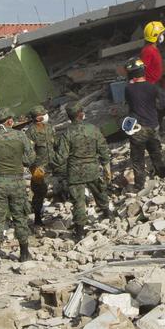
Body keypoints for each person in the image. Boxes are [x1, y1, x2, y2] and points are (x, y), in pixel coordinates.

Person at [0, 108, 35, 268]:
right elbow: (29, 159)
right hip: (17, 182)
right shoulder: (20, 136)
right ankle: (24, 253)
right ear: (10, 121)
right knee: (20, 216)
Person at [53, 103, 112, 240]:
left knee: (78, 201)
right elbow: (103, 149)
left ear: (69, 117)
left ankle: (79, 232)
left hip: (75, 172)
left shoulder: (67, 133)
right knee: (99, 191)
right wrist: (106, 167)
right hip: (92, 168)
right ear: (81, 114)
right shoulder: (93, 129)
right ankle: (108, 213)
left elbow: (61, 156)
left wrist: (50, 167)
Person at [123, 57, 165, 191]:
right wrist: (158, 118)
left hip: (138, 130)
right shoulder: (153, 88)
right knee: (156, 152)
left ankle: (139, 185)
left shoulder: (129, 89)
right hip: (153, 127)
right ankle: (162, 175)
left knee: (138, 159)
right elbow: (164, 104)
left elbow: (130, 105)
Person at [24, 105, 54, 226]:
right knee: (39, 191)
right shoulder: (30, 133)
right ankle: (37, 217)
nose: (47, 116)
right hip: (39, 167)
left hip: (52, 163)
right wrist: (34, 168)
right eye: (44, 114)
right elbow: (29, 153)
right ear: (38, 118)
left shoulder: (49, 128)